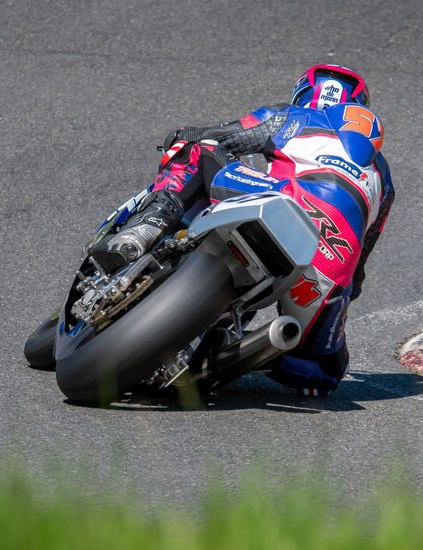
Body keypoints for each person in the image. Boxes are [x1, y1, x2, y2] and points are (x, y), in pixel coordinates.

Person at [90, 64, 395, 397]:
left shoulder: (292, 117)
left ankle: (146, 228)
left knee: (200, 150)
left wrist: (183, 136)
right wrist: (341, 297)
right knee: (319, 370)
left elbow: (223, 137)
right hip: (328, 269)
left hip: (281, 202)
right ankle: (230, 350)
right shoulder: (384, 179)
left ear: (305, 94)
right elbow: (361, 263)